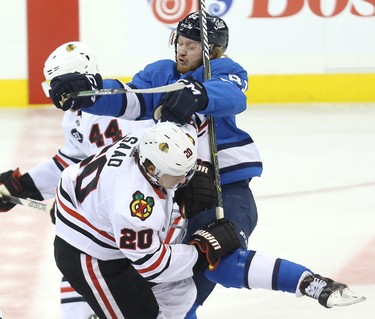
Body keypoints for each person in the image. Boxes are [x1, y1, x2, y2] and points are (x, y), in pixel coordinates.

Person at [47, 12, 262, 318]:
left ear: (212, 52)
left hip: (223, 184)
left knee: (214, 258)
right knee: (166, 273)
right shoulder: (161, 73)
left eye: (191, 45)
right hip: (175, 184)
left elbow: (232, 96)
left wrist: (200, 93)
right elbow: (131, 99)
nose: (182, 51)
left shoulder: (223, 70)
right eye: (180, 42)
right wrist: (90, 93)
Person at [0, 41, 155, 319]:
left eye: (58, 85)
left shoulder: (131, 109)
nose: (55, 94)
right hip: (101, 225)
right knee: (80, 273)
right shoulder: (76, 116)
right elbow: (71, 162)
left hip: (138, 220)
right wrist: (23, 186)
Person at [53, 121, 242, 319]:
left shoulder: (155, 137)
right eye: (175, 176)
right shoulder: (135, 206)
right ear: (152, 169)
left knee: (179, 292)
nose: (182, 181)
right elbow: (152, 265)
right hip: (90, 256)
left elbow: (193, 124)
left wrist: (200, 169)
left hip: (91, 207)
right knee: (141, 315)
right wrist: (201, 251)